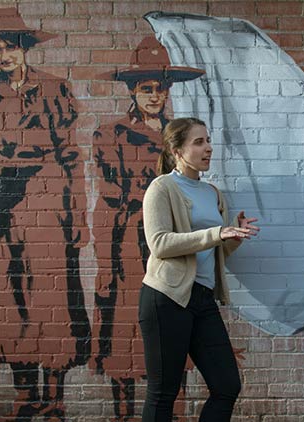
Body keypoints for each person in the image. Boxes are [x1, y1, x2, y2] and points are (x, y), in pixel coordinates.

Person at [0, 7, 89, 420]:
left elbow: (72, 156)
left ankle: (55, 401)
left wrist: (77, 217)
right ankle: (26, 400)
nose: (3, 55)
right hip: (3, 205)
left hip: (49, 202)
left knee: (51, 301)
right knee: (7, 299)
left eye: (10, 47)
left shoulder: (56, 89)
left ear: (25, 48)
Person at [92, 36, 204, 419]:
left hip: (176, 238)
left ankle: (178, 413)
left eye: (161, 88)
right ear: (133, 91)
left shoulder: (181, 135)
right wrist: (105, 265)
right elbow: (107, 201)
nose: (155, 96)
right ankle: (126, 413)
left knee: (178, 329)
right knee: (125, 331)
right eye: (146, 89)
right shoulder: (112, 134)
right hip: (129, 243)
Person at [139, 117, 259, 421]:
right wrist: (216, 233)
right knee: (163, 392)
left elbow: (215, 252)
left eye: (208, 141)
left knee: (226, 385)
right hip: (166, 297)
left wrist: (234, 235)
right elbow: (160, 244)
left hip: (202, 298)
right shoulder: (162, 188)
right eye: (199, 142)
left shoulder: (212, 193)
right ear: (177, 150)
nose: (209, 148)